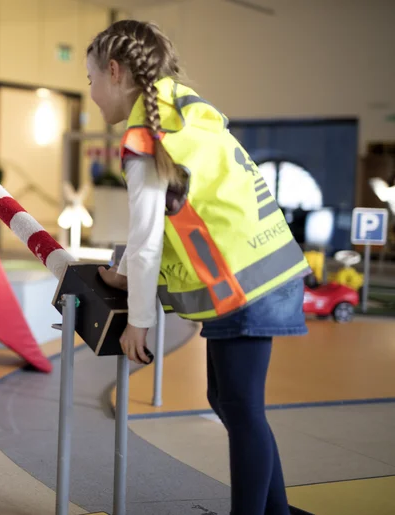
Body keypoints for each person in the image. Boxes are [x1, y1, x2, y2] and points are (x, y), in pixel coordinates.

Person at [87, 20, 311, 515]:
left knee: (242, 407)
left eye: (91, 80)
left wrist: (139, 322)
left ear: (116, 72)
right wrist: (125, 273)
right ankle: (276, 511)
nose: (92, 94)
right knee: (227, 399)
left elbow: (147, 240)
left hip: (245, 283)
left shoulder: (146, 139)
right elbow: (182, 216)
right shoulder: (184, 114)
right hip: (261, 272)